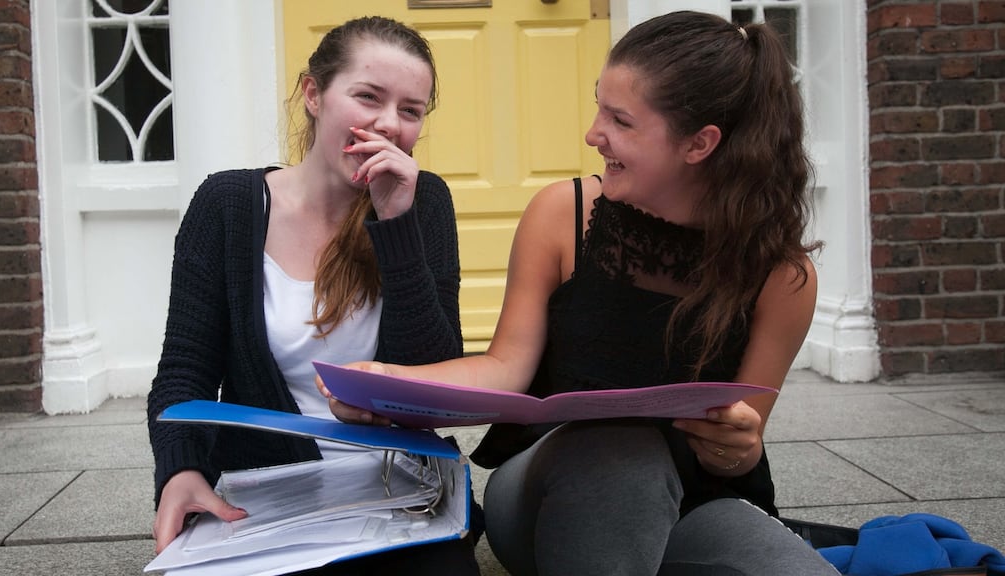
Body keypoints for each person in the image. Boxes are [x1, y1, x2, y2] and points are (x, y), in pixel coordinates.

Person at [321, 11, 839, 575]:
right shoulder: (563, 215)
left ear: (699, 144)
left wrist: (741, 447)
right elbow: (504, 369)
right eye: (599, 107)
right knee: (622, 451)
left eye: (619, 119)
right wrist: (390, 381)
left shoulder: (783, 278)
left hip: (697, 502)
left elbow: (738, 441)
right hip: (551, 492)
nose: (593, 134)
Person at [146, 16, 480, 575]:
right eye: (368, 97)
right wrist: (181, 471)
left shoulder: (423, 202)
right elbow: (184, 372)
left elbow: (433, 383)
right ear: (313, 94)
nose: (388, 125)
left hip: (395, 492)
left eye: (410, 111)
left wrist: (395, 222)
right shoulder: (228, 204)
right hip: (269, 494)